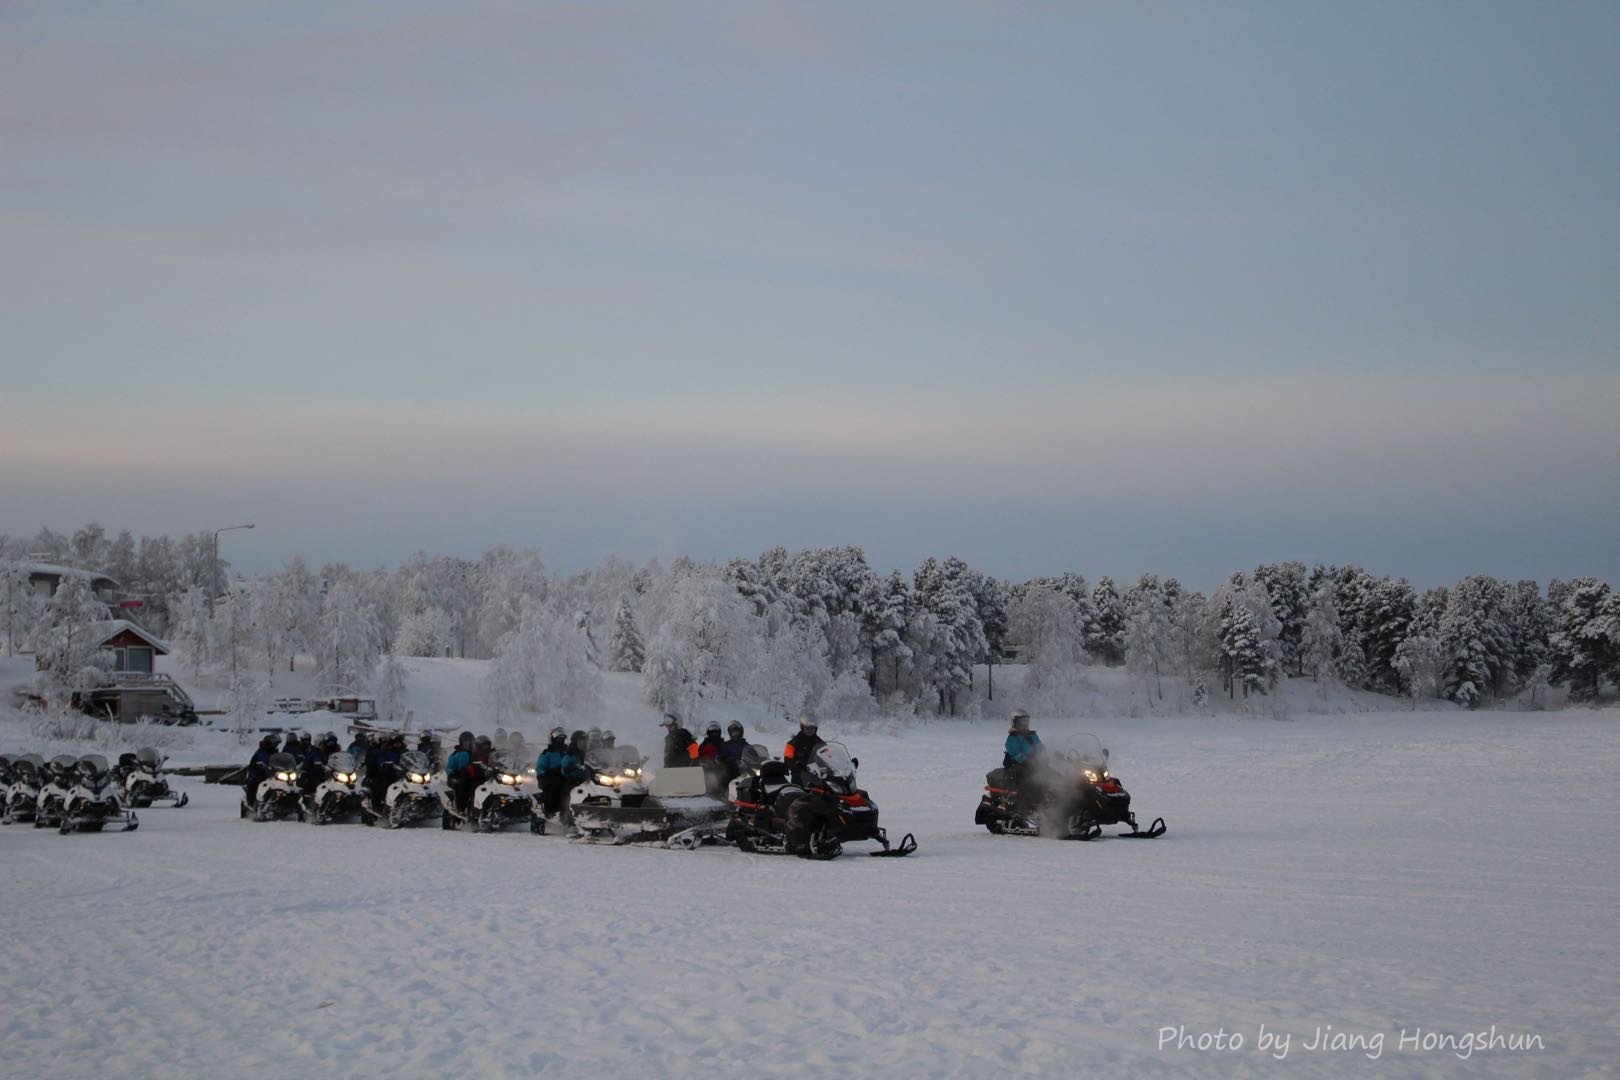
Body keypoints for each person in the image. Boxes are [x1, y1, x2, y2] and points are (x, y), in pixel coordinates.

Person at [534, 727, 577, 820]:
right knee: (555, 786)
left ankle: (577, 810)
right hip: (551, 777)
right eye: (558, 739)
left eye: (562, 739)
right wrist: (543, 775)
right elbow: (540, 767)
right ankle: (551, 812)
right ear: (553, 739)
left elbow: (575, 760)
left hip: (566, 776)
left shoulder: (568, 752)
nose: (560, 741)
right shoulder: (547, 753)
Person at [782, 712, 826, 782]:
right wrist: (796, 765)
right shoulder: (792, 744)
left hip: (818, 776)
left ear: (816, 729)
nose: (810, 731)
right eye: (807, 728)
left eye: (812, 728)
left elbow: (829, 757)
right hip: (799, 776)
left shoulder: (820, 743)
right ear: (802, 728)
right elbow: (787, 760)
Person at [243, 734, 281, 806]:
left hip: (271, 774)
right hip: (258, 774)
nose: (276, 746)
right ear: (269, 744)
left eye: (276, 744)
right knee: (254, 783)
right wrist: (265, 766)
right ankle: (252, 803)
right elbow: (263, 760)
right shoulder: (260, 752)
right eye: (274, 744)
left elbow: (279, 760)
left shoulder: (275, 752)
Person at [444, 731, 477, 813]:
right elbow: (450, 767)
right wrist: (451, 775)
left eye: (470, 741)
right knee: (463, 785)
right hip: (459, 776)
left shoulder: (477, 753)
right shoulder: (457, 754)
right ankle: (460, 807)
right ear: (461, 743)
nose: (468, 743)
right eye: (466, 741)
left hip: (475, 775)